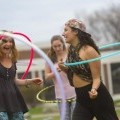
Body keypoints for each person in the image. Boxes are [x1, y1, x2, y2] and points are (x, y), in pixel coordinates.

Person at [58, 19, 119, 120]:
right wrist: (63, 68)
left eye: (66, 30)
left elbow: (96, 78)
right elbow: (74, 72)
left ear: (75, 31)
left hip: (97, 97)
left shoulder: (89, 51)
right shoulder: (70, 49)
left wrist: (94, 90)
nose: (63, 34)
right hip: (81, 99)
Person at [0, 34, 43, 120]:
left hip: (13, 100)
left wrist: (31, 81)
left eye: (11, 41)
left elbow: (13, 81)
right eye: (5, 41)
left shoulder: (13, 61)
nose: (8, 44)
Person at [45, 35, 76, 120]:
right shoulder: (50, 58)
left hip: (74, 92)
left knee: (76, 117)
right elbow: (47, 76)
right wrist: (55, 72)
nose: (58, 48)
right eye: (55, 46)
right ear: (52, 46)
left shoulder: (70, 54)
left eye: (59, 45)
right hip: (60, 95)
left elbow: (77, 71)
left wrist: (65, 68)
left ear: (63, 44)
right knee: (65, 118)